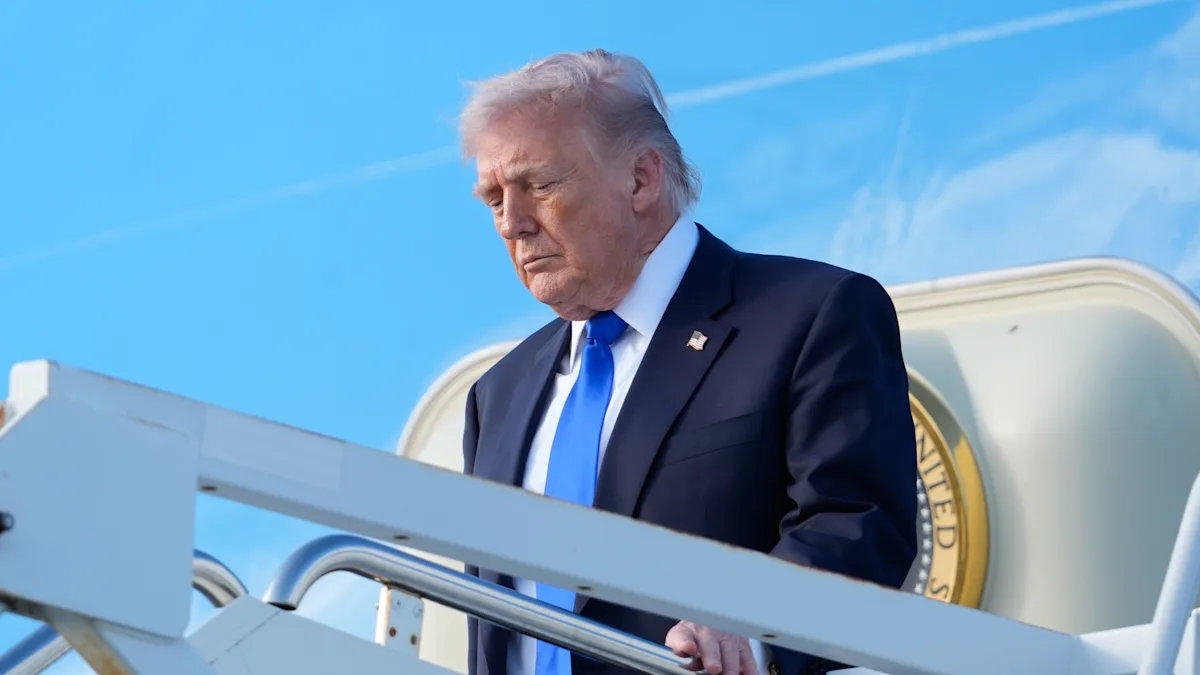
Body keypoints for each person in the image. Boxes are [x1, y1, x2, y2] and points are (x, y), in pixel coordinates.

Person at [458, 49, 917, 675]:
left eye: (539, 184)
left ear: (642, 179)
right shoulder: (498, 395)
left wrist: (752, 634)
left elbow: (854, 529)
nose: (512, 223)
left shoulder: (810, 316)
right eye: (492, 199)